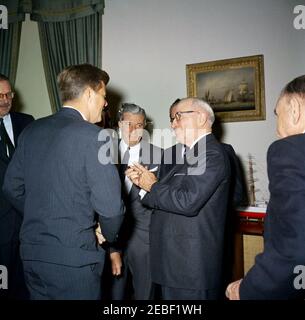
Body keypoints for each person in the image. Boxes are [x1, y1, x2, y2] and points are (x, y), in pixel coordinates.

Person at [2, 64, 125, 300]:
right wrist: (107, 235)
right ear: (90, 93)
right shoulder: (96, 137)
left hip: (32, 255)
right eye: (104, 96)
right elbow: (111, 209)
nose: (106, 103)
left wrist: (42, 213)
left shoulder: (31, 130)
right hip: (74, 260)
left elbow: (11, 187)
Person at [126, 97, 231, 300]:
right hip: (171, 264)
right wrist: (143, 185)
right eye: (172, 118)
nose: (172, 124)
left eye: (178, 117)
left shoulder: (212, 154)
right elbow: (158, 198)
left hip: (190, 268)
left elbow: (187, 202)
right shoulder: (180, 156)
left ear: (201, 118)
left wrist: (152, 185)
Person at [226, 75, 305, 300]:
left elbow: (294, 246)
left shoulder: (290, 149)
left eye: (278, 115)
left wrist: (249, 289)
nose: (277, 131)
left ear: (295, 109)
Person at [102, 103, 162, 300]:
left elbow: (162, 199)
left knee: (145, 295)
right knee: (113, 295)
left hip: (144, 239)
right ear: (119, 124)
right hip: (110, 239)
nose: (134, 130)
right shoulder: (104, 152)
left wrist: (145, 187)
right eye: (129, 124)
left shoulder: (159, 155)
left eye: (139, 125)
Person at [0, 73, 34, 299]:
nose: (5, 100)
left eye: (8, 94)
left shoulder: (28, 122)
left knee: (23, 284)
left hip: (25, 219)